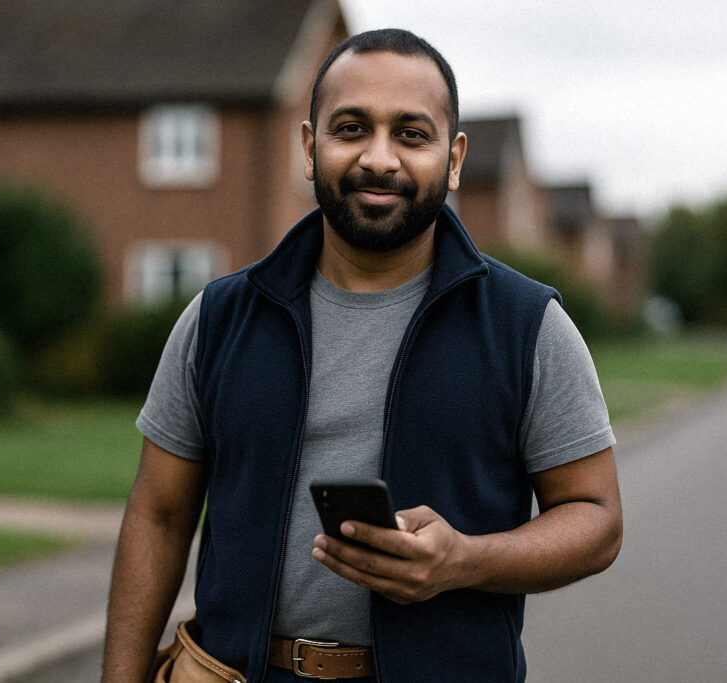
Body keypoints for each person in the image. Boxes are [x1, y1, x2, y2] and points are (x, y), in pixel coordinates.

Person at [103, 28, 622, 683]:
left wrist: (464, 558)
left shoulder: (528, 326)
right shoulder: (218, 319)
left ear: (455, 158)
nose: (380, 158)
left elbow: (597, 518)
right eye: (351, 128)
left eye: (411, 133)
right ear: (309, 146)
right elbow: (160, 513)